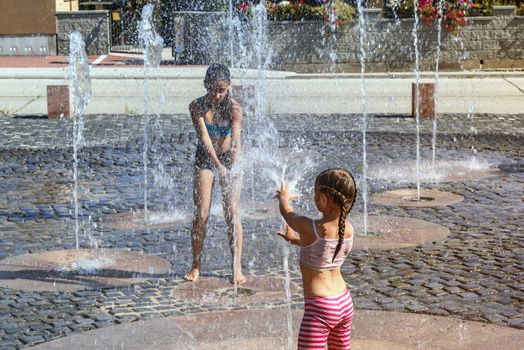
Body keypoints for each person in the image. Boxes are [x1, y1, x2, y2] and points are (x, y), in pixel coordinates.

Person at [275, 168, 357, 350]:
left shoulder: (310, 227)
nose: (314, 198)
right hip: (344, 301)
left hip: (320, 308)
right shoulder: (348, 229)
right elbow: (324, 252)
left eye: (316, 194)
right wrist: (296, 240)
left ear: (325, 199)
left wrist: (283, 197)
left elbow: (287, 213)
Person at [184, 63, 246, 284]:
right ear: (205, 86)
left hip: (230, 159)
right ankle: (195, 264)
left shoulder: (235, 110)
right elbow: (205, 140)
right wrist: (218, 166)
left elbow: (237, 141)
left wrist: (231, 165)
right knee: (202, 213)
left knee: (232, 212)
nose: (217, 95)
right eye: (212, 89)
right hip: (206, 160)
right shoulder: (197, 107)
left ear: (228, 86)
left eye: (221, 90)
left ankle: (236, 267)